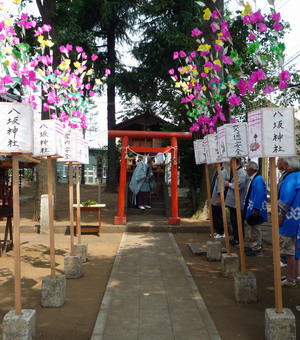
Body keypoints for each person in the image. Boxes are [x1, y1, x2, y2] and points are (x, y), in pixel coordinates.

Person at [277, 156, 300, 287]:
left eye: (281, 161)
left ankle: (291, 277)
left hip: (291, 218)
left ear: (286, 165)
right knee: (297, 249)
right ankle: (296, 275)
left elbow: (285, 200)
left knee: (290, 249)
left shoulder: (290, 178)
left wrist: (281, 216)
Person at [243, 161, 268, 256]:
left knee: (255, 228)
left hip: (256, 208)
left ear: (251, 170)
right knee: (252, 227)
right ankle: (253, 245)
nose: (246, 170)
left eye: (247, 169)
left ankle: (257, 248)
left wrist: (256, 208)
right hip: (251, 207)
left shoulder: (258, 179)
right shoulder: (254, 179)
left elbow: (259, 194)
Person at [224, 158, 249, 246]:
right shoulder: (236, 172)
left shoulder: (241, 172)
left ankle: (239, 238)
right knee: (233, 220)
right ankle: (235, 237)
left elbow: (239, 185)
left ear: (236, 163)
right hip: (233, 201)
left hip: (237, 201)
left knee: (237, 220)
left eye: (231, 164)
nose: (230, 166)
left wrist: (229, 184)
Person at [211, 163, 228, 238]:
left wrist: (219, 198)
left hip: (218, 197)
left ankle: (221, 232)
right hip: (214, 196)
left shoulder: (222, 172)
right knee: (214, 214)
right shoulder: (216, 172)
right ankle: (217, 230)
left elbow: (220, 186)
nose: (212, 164)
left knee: (218, 214)